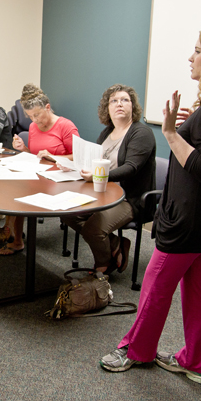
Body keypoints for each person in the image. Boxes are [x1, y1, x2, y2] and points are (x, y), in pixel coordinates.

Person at [99, 25, 201, 385]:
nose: (191, 56)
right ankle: (197, 362)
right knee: (198, 286)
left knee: (157, 285)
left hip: (190, 219)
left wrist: (172, 132)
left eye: (199, 50)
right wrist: (191, 129)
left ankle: (135, 350)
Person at [60, 85, 156, 274]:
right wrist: (74, 166)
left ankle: (104, 265)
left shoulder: (141, 133)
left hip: (130, 199)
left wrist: (98, 176)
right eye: (114, 101)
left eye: (125, 100)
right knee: (67, 213)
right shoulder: (106, 133)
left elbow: (131, 168)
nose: (119, 104)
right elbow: (93, 161)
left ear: (133, 107)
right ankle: (116, 243)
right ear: (107, 108)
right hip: (102, 193)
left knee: (93, 229)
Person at [0, 83, 80, 255]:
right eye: (30, 116)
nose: (34, 120)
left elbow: (80, 157)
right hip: (39, 176)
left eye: (37, 115)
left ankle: (14, 237)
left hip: (61, 180)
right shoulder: (34, 127)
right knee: (13, 189)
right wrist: (23, 149)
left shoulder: (65, 126)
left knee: (22, 193)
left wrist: (54, 157)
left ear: (48, 107)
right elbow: (36, 156)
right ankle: (16, 239)